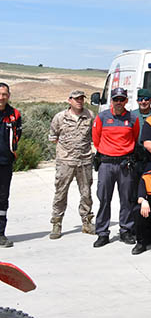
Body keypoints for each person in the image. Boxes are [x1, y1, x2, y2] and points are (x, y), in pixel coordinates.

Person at [92, 87, 140, 248]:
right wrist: (108, 153)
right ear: (111, 100)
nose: (119, 102)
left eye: (122, 99)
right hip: (106, 163)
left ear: (126, 100)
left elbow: (134, 137)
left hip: (124, 164)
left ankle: (126, 230)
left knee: (126, 199)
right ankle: (102, 233)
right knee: (104, 198)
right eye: (116, 99)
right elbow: (96, 139)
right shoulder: (102, 117)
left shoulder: (133, 118)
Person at [47, 89, 96, 239]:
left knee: (86, 193)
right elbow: (53, 137)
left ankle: (87, 222)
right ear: (69, 100)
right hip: (65, 162)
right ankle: (57, 223)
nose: (79, 101)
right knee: (61, 193)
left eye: (81, 98)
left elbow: (94, 136)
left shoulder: (90, 116)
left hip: (85, 160)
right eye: (76, 99)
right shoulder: (60, 117)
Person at [0, 84, 21, 247]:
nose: (2, 97)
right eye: (0, 94)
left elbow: (17, 135)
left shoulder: (14, 114)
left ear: (9, 95)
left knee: (2, 200)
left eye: (5, 94)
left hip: (5, 163)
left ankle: (0, 234)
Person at [133, 88, 151, 172]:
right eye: (140, 99)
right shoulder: (132, 115)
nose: (143, 102)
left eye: (146, 99)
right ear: (137, 101)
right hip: (136, 155)